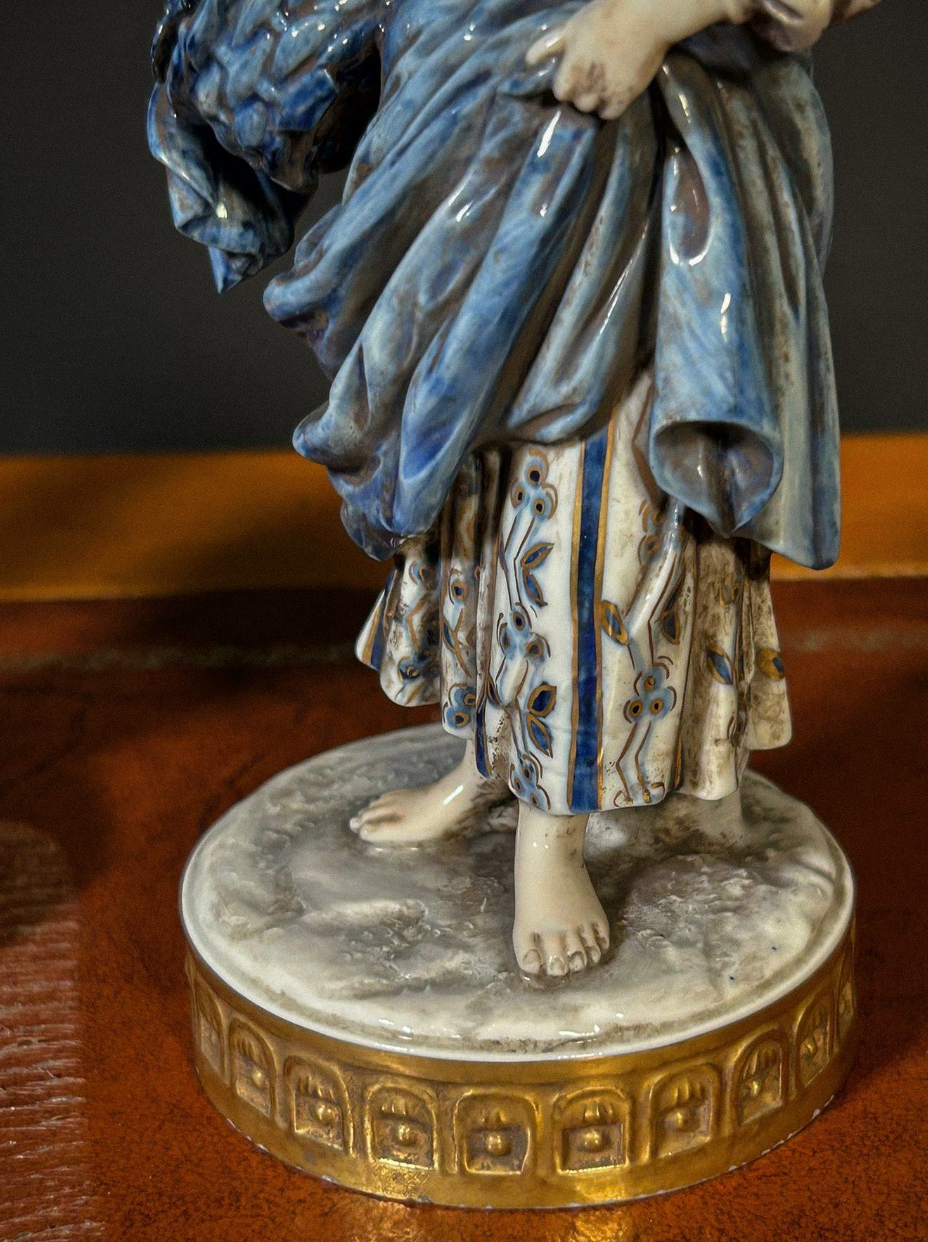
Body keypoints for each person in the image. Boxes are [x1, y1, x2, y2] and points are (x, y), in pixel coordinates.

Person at [150, 0, 880, 979]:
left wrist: (651, 16)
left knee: (598, 491)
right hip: (483, 120)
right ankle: (490, 763)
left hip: (647, 149)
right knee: (482, 489)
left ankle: (555, 828)